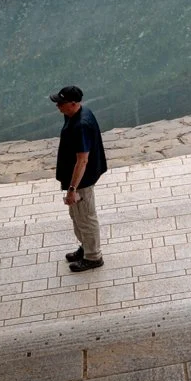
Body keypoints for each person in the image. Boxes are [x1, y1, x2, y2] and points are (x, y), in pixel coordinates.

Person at [51, 85, 107, 271]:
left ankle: (93, 257)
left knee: (86, 217)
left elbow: (82, 160)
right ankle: (85, 248)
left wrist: (73, 189)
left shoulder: (81, 124)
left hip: (82, 180)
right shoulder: (74, 114)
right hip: (74, 178)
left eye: (61, 103)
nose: (58, 106)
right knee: (77, 215)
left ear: (73, 104)